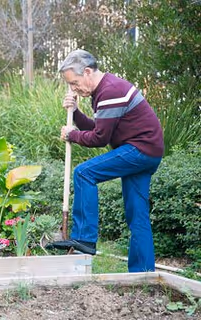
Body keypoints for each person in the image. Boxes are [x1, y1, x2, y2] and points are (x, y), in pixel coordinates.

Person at [46, 49, 164, 272]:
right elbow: (99, 128)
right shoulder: (104, 90)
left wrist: (72, 135)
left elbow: (100, 139)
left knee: (84, 172)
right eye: (70, 85)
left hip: (139, 150)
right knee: (137, 216)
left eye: (75, 82)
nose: (74, 88)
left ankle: (84, 238)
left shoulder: (110, 91)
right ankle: (143, 273)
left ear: (88, 72)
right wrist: (76, 113)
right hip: (146, 151)